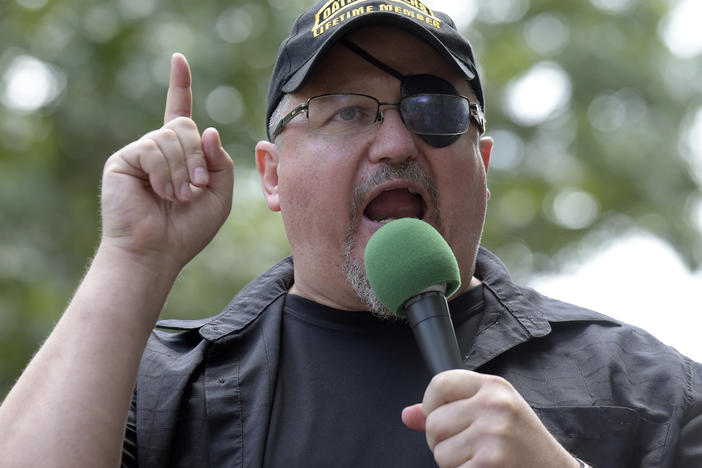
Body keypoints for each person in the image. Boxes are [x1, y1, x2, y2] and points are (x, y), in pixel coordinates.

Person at [1, 1, 700, 467]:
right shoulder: (160, 389)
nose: (396, 140)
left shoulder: (643, 386)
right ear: (270, 176)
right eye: (345, 112)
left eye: (434, 109)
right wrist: (133, 258)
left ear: (481, 166)